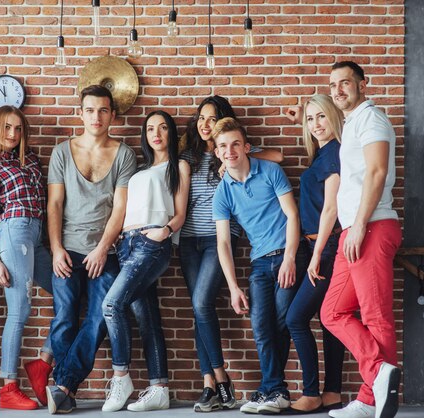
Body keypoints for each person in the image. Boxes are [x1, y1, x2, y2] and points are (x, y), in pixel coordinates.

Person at [179, 95, 282, 412]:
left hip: (217, 239)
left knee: (200, 302)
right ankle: (210, 384)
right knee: (200, 309)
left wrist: (228, 160)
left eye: (211, 118)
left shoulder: (232, 153)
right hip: (188, 241)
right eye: (201, 118)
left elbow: (278, 155)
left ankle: (222, 379)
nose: (205, 124)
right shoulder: (190, 157)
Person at [44, 85, 137, 415]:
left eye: (103, 110)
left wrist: (102, 249)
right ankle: (63, 390)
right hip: (67, 249)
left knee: (101, 317)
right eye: (90, 110)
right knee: (65, 319)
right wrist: (56, 249)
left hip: (106, 252)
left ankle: (62, 385)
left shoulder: (124, 154)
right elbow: (54, 204)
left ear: (112, 114)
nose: (96, 116)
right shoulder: (61, 152)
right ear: (80, 113)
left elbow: (120, 209)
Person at [320, 61, 402, 418]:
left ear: (362, 84)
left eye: (345, 83)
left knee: (375, 316)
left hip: (370, 227)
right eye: (333, 85)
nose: (338, 90)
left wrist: (360, 224)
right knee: (332, 311)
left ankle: (372, 399)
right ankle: (378, 374)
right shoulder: (353, 122)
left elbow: (378, 170)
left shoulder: (372, 119)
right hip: (353, 230)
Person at [100, 110, 190, 412]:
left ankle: (121, 375)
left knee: (112, 305)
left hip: (151, 244)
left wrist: (162, 232)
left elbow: (180, 214)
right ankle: (159, 388)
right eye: (151, 128)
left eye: (163, 127)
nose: (157, 133)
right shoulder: (138, 171)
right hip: (126, 245)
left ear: (171, 134)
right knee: (147, 318)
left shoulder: (179, 166)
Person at [212, 118, 301, 415]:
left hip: (290, 254)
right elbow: (223, 243)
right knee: (261, 327)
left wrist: (289, 257)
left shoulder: (271, 171)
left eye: (236, 144)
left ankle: (271, 390)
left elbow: (292, 215)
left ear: (247, 147)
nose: (230, 150)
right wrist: (234, 286)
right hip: (260, 263)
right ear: (217, 153)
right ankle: (274, 391)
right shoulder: (222, 192)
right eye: (223, 146)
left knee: (281, 321)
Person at [0, 105, 54, 410]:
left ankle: (42, 363)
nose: (13, 134)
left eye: (18, 128)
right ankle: (8, 386)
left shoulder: (31, 159)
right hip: (12, 231)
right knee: (20, 308)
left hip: (37, 235)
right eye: (7, 128)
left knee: (70, 292)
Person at [284, 94, 346, 414]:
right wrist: (302, 117)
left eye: (322, 117)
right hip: (319, 245)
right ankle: (332, 391)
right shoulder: (324, 152)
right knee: (328, 321)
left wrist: (316, 253)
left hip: (326, 246)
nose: (316, 125)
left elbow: (331, 208)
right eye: (311, 120)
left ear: (334, 117)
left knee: (295, 318)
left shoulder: (334, 153)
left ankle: (311, 393)